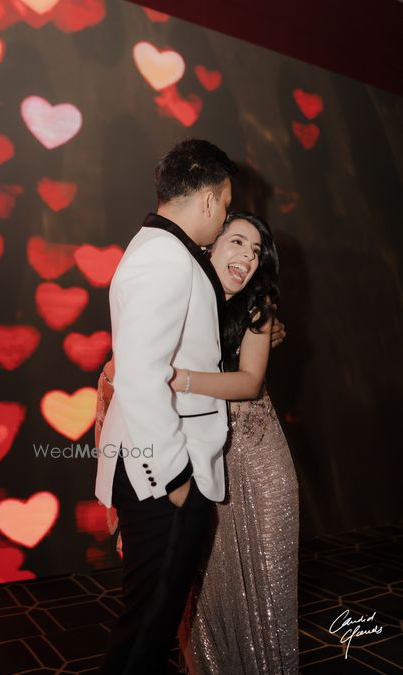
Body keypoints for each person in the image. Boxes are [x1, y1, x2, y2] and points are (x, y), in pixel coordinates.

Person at [96, 211, 298, 674]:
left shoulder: (258, 306)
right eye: (238, 242)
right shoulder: (183, 291)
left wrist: (177, 378)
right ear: (210, 246)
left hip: (255, 456)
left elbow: (249, 383)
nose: (247, 256)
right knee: (204, 582)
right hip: (199, 456)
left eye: (256, 251)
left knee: (266, 581)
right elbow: (123, 367)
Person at [94, 138, 237, 675]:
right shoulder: (163, 257)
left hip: (162, 471)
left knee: (149, 625)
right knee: (146, 633)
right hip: (165, 476)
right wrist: (175, 477)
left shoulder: (162, 250)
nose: (224, 219)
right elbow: (139, 377)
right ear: (208, 199)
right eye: (226, 206)